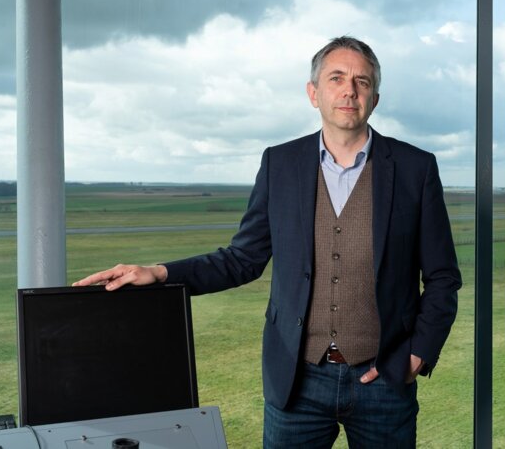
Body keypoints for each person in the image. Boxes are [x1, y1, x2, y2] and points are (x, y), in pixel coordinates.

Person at [74, 36, 461, 449]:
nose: (349, 90)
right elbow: (242, 258)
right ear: (313, 93)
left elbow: (442, 278)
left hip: (384, 380)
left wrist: (418, 353)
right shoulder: (280, 163)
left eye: (361, 81)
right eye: (337, 78)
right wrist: (159, 272)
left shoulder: (415, 169)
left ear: (375, 97)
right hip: (297, 382)